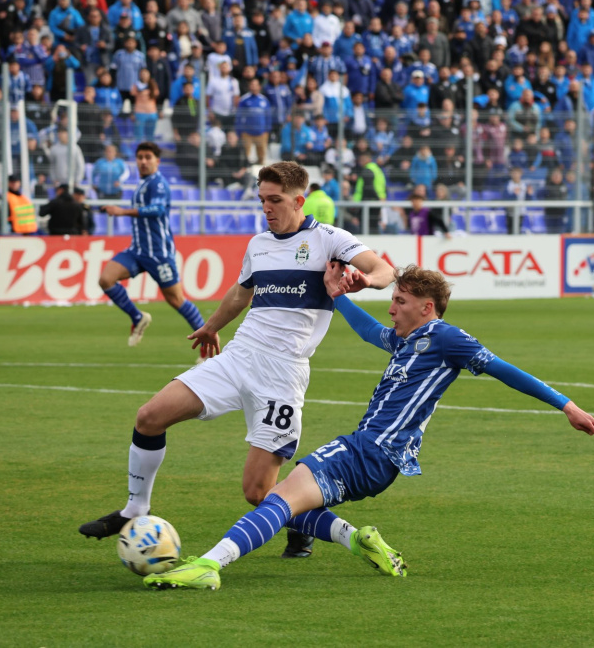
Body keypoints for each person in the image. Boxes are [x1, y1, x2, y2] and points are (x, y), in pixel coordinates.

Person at [143, 263, 594, 589]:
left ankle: (209, 564)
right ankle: (357, 538)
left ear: (427, 307)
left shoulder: (447, 337)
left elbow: (505, 369)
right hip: (372, 453)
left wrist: (565, 405)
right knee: (277, 498)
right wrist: (338, 297)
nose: (392, 308)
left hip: (373, 450)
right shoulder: (409, 339)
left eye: (400, 301)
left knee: (278, 497)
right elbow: (369, 332)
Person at [79, 162, 395, 559]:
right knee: (149, 416)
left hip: (283, 375)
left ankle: (344, 534)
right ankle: (135, 509)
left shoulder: (328, 239)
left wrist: (367, 281)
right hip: (239, 358)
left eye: (275, 200)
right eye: (262, 199)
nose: (266, 207)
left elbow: (385, 269)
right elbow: (240, 293)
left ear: (299, 200)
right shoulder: (258, 243)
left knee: (260, 493)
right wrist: (211, 326)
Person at [96, 142, 206, 352]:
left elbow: (156, 209)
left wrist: (122, 212)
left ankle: (206, 340)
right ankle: (138, 317)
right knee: (106, 279)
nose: (143, 161)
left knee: (176, 300)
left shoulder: (159, 183)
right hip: (137, 251)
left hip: (158, 254)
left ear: (157, 161)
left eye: (148, 157)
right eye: (140, 157)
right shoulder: (143, 184)